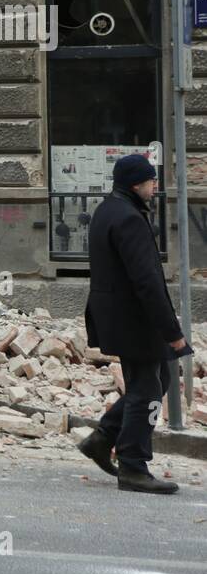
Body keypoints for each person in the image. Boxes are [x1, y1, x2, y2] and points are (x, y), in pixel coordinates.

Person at [79, 154, 184, 494]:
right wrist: (173, 333)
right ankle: (133, 466)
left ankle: (103, 437)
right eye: (151, 180)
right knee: (147, 390)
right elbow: (147, 283)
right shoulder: (129, 219)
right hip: (134, 320)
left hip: (119, 318)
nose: (155, 186)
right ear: (136, 184)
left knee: (161, 376)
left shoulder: (108, 210)